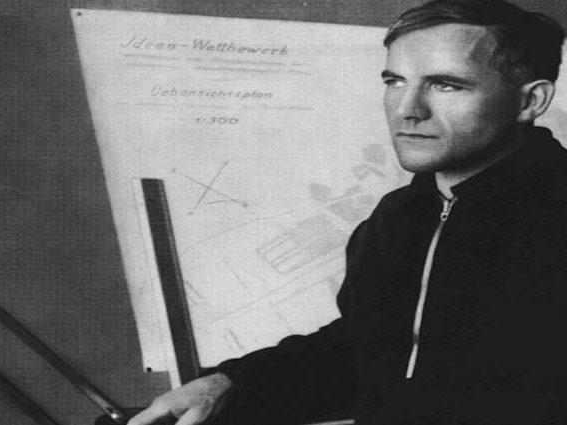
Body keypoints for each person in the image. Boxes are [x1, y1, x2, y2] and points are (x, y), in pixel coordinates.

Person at [128, 0, 567, 423]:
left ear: (530, 101)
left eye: (445, 85)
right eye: (395, 82)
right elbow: (367, 350)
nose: (407, 109)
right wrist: (229, 384)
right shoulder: (398, 216)